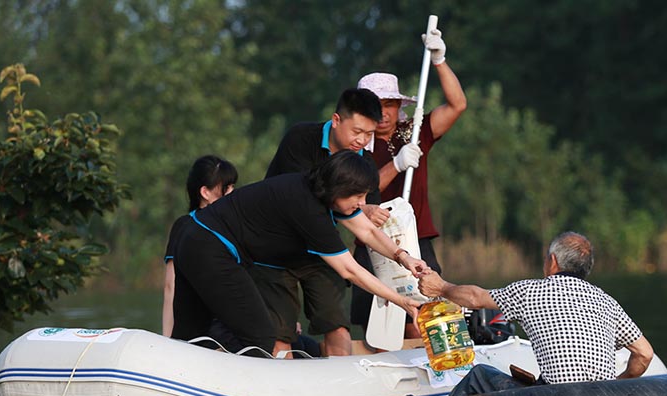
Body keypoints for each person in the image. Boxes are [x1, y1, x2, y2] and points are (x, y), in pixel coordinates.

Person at [170, 150, 428, 356]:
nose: (363, 203)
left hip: (192, 237)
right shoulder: (308, 210)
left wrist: (403, 257)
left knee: (191, 333)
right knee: (260, 337)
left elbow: (369, 232)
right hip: (211, 248)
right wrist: (401, 300)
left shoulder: (317, 189)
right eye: (358, 195)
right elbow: (349, 270)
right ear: (340, 188)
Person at [402, 231, 655, 396]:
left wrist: (442, 287)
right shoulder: (606, 301)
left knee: (480, 375)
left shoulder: (532, 291)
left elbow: (475, 298)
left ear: (553, 261)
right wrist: (616, 387)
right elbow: (644, 354)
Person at [261, 88, 404, 356]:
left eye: (369, 134)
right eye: (357, 131)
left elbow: (366, 225)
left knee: (337, 326)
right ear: (336, 120)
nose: (362, 140)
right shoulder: (301, 139)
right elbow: (304, 202)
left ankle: (343, 388)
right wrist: (361, 211)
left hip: (322, 250)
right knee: (281, 335)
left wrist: (399, 253)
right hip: (273, 250)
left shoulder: (365, 165)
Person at [351, 25, 467, 339]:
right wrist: (398, 164)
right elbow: (361, 192)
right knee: (376, 320)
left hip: (416, 236)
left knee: (427, 310)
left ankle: (433, 366)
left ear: (398, 106)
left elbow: (458, 105)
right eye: (376, 106)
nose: (384, 113)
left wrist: (440, 60)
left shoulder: (412, 132)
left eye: (389, 105)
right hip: (372, 237)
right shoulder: (355, 143)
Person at [162, 155, 237, 338]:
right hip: (206, 330)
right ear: (205, 193)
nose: (233, 193)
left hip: (235, 322)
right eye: (226, 188)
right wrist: (167, 341)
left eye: (234, 186)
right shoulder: (186, 226)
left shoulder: (235, 224)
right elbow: (171, 286)